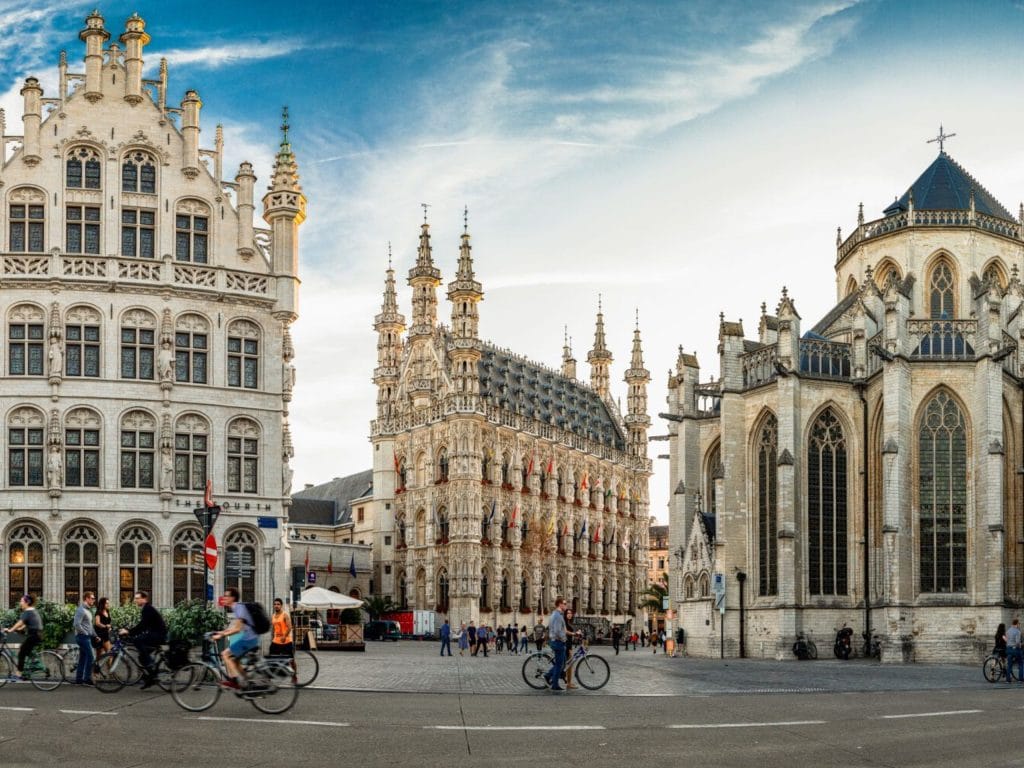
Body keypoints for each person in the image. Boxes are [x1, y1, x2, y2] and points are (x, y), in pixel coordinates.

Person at [211, 588, 261, 690]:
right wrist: (221, 632)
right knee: (235, 662)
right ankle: (249, 683)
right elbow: (236, 627)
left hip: (249, 640)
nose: (224, 598)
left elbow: (237, 629)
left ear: (232, 598)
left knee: (225, 654)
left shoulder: (238, 608)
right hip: (250, 638)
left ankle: (234, 681)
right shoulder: (237, 608)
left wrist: (222, 635)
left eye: (227, 596)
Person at [121, 590, 167, 689]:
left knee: (137, 641)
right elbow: (143, 625)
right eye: (135, 598)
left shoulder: (148, 609)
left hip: (158, 635)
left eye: (137, 598)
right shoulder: (146, 609)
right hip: (154, 634)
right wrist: (130, 630)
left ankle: (150, 664)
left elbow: (142, 626)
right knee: (141, 657)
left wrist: (128, 631)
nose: (135, 600)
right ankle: (150, 678)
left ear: (144, 599)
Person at [2, 594, 43, 679]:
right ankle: (30, 667)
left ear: (27, 602)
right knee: (25, 649)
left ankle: (19, 673)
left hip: (34, 635)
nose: (20, 603)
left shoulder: (28, 612)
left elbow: (20, 622)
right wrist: (19, 629)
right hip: (38, 634)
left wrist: (10, 630)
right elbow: (26, 624)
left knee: (22, 652)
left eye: (21, 601)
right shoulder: (33, 611)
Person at [73, 591, 97, 685]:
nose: (93, 600)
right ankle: (87, 679)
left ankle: (78, 679)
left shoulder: (88, 610)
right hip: (82, 637)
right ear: (86, 598)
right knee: (91, 657)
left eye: (94, 598)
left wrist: (95, 635)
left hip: (86, 636)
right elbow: (76, 624)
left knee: (83, 658)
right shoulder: (81, 610)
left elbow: (89, 625)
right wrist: (85, 633)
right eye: (92, 598)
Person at [544, 597, 568, 692]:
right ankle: (554, 684)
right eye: (565, 603)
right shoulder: (558, 616)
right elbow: (558, 631)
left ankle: (549, 676)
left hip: (555, 640)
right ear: (560, 604)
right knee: (559, 664)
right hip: (558, 642)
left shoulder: (555, 614)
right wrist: (564, 639)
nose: (566, 605)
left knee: (562, 663)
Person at [563, 608, 578, 690]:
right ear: (565, 614)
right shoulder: (564, 622)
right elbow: (565, 631)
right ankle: (568, 683)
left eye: (571, 613)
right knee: (569, 664)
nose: (569, 614)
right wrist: (574, 633)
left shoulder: (569, 622)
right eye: (568, 613)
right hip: (566, 645)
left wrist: (577, 633)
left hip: (569, 644)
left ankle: (568, 682)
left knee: (569, 664)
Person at [1006, 619, 1023, 684]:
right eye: (1019, 624)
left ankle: (1008, 680)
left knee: (1009, 665)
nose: (1019, 625)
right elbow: (1018, 642)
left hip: (1008, 649)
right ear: (1016, 624)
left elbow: (1007, 640)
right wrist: (1020, 646)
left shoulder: (1008, 631)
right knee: (1021, 663)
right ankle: (1020, 679)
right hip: (1015, 649)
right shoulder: (1017, 631)